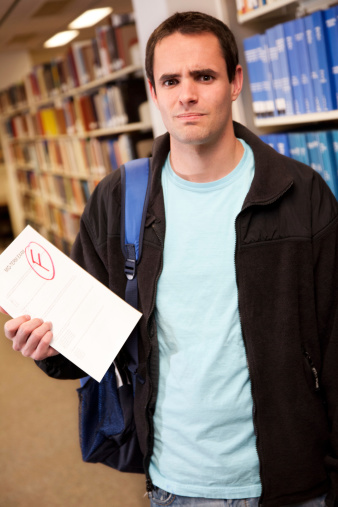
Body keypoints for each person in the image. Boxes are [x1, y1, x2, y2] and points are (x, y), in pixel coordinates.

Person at [1, 11, 338, 507]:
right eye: (170, 80)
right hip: (176, 481)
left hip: (293, 478)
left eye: (204, 76)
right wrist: (49, 348)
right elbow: (86, 331)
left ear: (235, 81)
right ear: (153, 92)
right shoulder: (119, 199)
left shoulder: (300, 191)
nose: (187, 94)